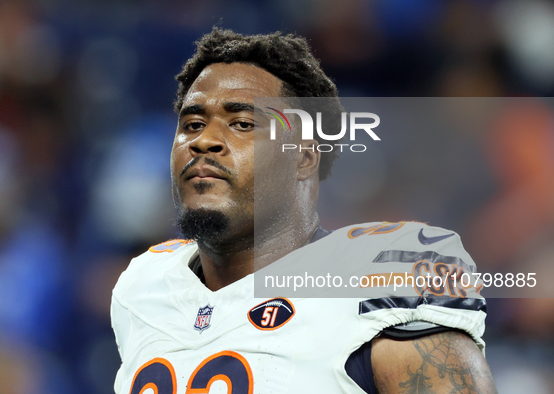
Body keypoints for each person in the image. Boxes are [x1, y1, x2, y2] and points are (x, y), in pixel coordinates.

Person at [111, 28, 497, 393]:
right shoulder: (144, 286)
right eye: (193, 124)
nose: (205, 140)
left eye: (242, 123)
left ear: (304, 156)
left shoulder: (382, 276)